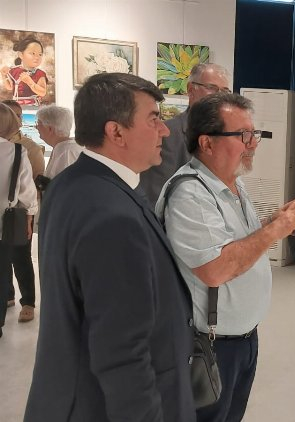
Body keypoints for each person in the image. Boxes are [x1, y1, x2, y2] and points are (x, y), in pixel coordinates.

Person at [25, 73, 195, 421]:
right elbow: (121, 351)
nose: (164, 131)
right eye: (153, 119)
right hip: (99, 405)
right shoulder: (112, 215)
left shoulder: (73, 183)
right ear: (116, 132)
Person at [156, 92, 295, 422]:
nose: (253, 143)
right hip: (210, 346)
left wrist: (269, 224)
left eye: (254, 134)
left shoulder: (231, 185)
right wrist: (274, 231)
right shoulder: (190, 194)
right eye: (243, 135)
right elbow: (215, 269)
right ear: (207, 143)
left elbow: (236, 243)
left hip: (242, 340)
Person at [139, 63, 231, 207]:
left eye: (225, 91)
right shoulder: (167, 134)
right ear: (191, 89)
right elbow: (156, 199)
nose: (219, 96)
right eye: (211, 88)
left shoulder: (225, 136)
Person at [1, 99, 42, 319]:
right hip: (11, 215)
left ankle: (25, 301)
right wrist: (29, 216)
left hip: (10, 217)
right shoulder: (16, 150)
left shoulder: (26, 147)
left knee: (19, 259)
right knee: (14, 260)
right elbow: (27, 190)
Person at [36, 105, 83, 181]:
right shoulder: (66, 148)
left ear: (50, 129)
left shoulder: (66, 152)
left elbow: (64, 185)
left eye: (38, 123)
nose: (36, 127)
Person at [1, 37, 48, 106]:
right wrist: (4, 75)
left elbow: (43, 92)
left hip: (33, 105)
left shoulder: (40, 73)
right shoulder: (14, 70)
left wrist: (30, 82)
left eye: (40, 54)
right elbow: (10, 87)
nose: (37, 57)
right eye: (33, 53)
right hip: (16, 105)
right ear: (21, 55)